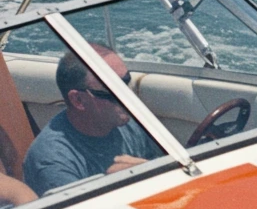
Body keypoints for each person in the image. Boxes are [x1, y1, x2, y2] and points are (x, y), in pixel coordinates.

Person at [22, 44, 162, 196]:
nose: (127, 96)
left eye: (126, 81)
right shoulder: (53, 161)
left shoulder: (126, 120)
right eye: (112, 89)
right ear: (78, 100)